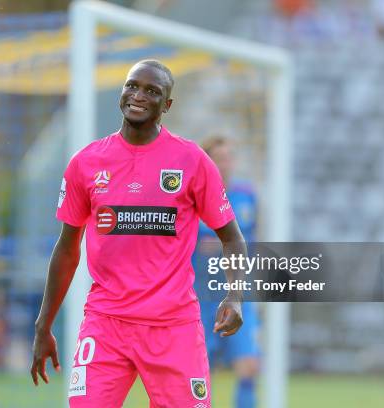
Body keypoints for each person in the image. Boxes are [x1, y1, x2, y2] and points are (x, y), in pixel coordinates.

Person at [30, 59, 248, 407]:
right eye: (132, 85)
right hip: (106, 323)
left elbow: (232, 237)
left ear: (167, 105)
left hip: (173, 327)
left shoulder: (191, 161)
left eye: (152, 91)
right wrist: (44, 325)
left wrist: (235, 295)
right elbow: (67, 248)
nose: (138, 95)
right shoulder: (86, 163)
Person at [194, 135, 261, 408]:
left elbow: (255, 239)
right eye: (218, 159)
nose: (225, 164)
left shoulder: (246, 196)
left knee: (249, 367)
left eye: (228, 158)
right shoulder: (192, 199)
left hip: (237, 295)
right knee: (197, 373)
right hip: (201, 299)